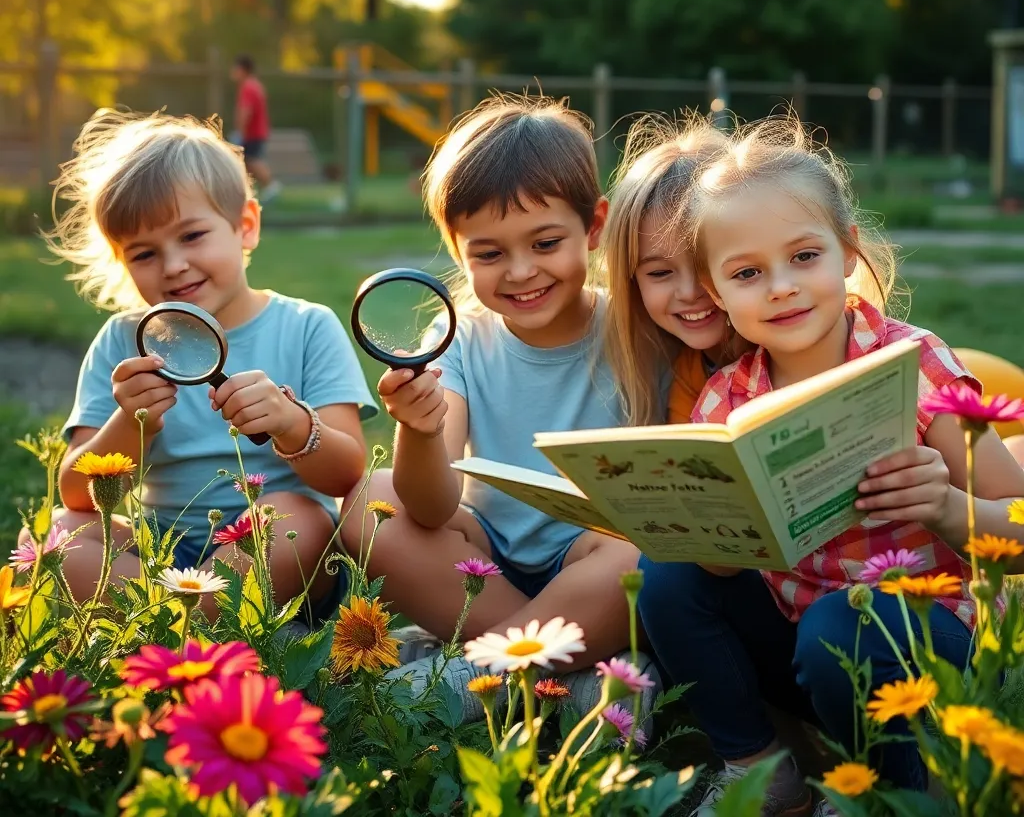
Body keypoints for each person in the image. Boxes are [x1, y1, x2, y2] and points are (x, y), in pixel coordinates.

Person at [637, 115, 1024, 815]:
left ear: (847, 253)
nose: (781, 287)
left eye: (804, 256)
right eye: (747, 273)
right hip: (801, 646)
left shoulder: (913, 362)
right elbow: (719, 568)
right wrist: (715, 539)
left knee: (838, 626)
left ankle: (890, 792)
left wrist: (946, 508)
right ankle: (760, 771)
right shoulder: (727, 399)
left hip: (927, 641)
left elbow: (1019, 526)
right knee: (665, 575)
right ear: (717, 294)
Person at [339, 94, 653, 719]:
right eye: (489, 254)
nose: (520, 272)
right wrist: (419, 430)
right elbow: (432, 509)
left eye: (545, 242)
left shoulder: (637, 329)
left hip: (595, 558)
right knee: (369, 502)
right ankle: (565, 666)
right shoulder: (457, 341)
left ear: (594, 227)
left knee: (639, 556)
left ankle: (480, 671)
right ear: (457, 250)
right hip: (487, 563)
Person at [35, 111, 376, 618]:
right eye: (144, 254)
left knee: (295, 517)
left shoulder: (307, 326)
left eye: (192, 236)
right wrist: (131, 422)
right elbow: (78, 495)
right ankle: (196, 626)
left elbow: (347, 475)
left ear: (246, 226)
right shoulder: (122, 342)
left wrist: (290, 423)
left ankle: (167, 630)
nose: (173, 266)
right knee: (59, 535)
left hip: (273, 549)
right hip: (158, 554)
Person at [603, 113, 735, 428]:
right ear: (631, 282)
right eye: (659, 273)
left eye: (706, 265)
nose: (689, 292)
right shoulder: (686, 375)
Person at [231, 54, 281, 203]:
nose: (232, 72)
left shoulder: (248, 87)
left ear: (242, 69)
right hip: (257, 131)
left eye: (235, 68)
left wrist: (240, 132)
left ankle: (271, 185)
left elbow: (246, 111)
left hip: (252, 133)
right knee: (246, 162)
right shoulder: (255, 85)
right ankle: (246, 192)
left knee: (252, 160)